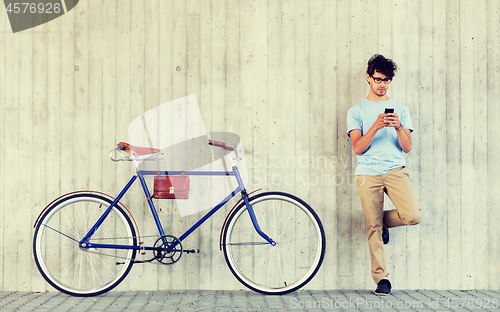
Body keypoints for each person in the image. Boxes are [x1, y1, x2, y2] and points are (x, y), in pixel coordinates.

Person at [346, 54, 421, 295]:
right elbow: (358, 147)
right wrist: (376, 126)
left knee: (412, 215)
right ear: (368, 77)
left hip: (395, 170)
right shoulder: (356, 111)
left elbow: (407, 147)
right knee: (373, 229)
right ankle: (382, 279)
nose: (382, 84)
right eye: (377, 79)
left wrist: (398, 127)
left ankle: (380, 222)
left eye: (386, 80)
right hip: (368, 172)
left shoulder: (401, 110)